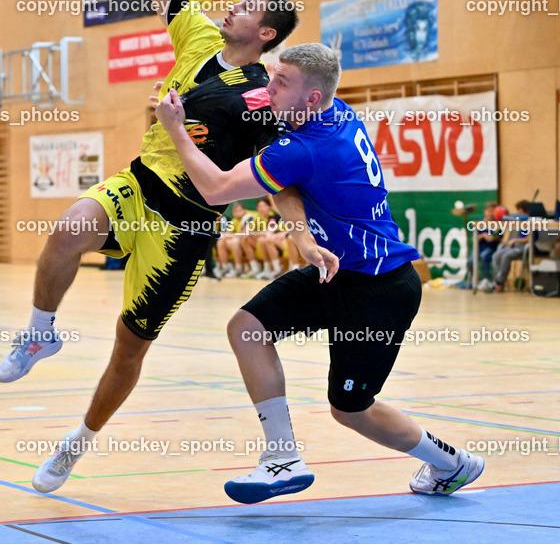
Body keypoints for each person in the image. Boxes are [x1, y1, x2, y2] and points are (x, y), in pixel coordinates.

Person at [0, 0, 300, 493]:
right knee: (69, 227)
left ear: (265, 34)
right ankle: (38, 333)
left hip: (187, 227)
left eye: (248, 7)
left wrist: (302, 233)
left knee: (128, 350)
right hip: (137, 186)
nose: (233, 6)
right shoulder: (197, 36)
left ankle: (75, 444)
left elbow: (279, 180)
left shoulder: (266, 96)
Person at [153, 43, 484, 504]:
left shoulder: (308, 146)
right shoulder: (333, 111)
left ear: (311, 97)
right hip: (334, 267)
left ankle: (453, 464)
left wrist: (176, 130)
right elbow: (287, 179)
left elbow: (216, 189)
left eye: (280, 82)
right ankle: (282, 455)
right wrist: (304, 238)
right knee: (247, 327)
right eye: (271, 77)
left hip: (380, 288)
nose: (269, 88)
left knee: (351, 410)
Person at [491, 201, 531, 292]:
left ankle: (499, 283)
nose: (517, 212)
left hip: (522, 247)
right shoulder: (517, 221)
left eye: (519, 210)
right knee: (497, 255)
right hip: (512, 246)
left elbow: (529, 239)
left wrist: (515, 240)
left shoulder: (529, 221)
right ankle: (497, 281)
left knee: (506, 256)